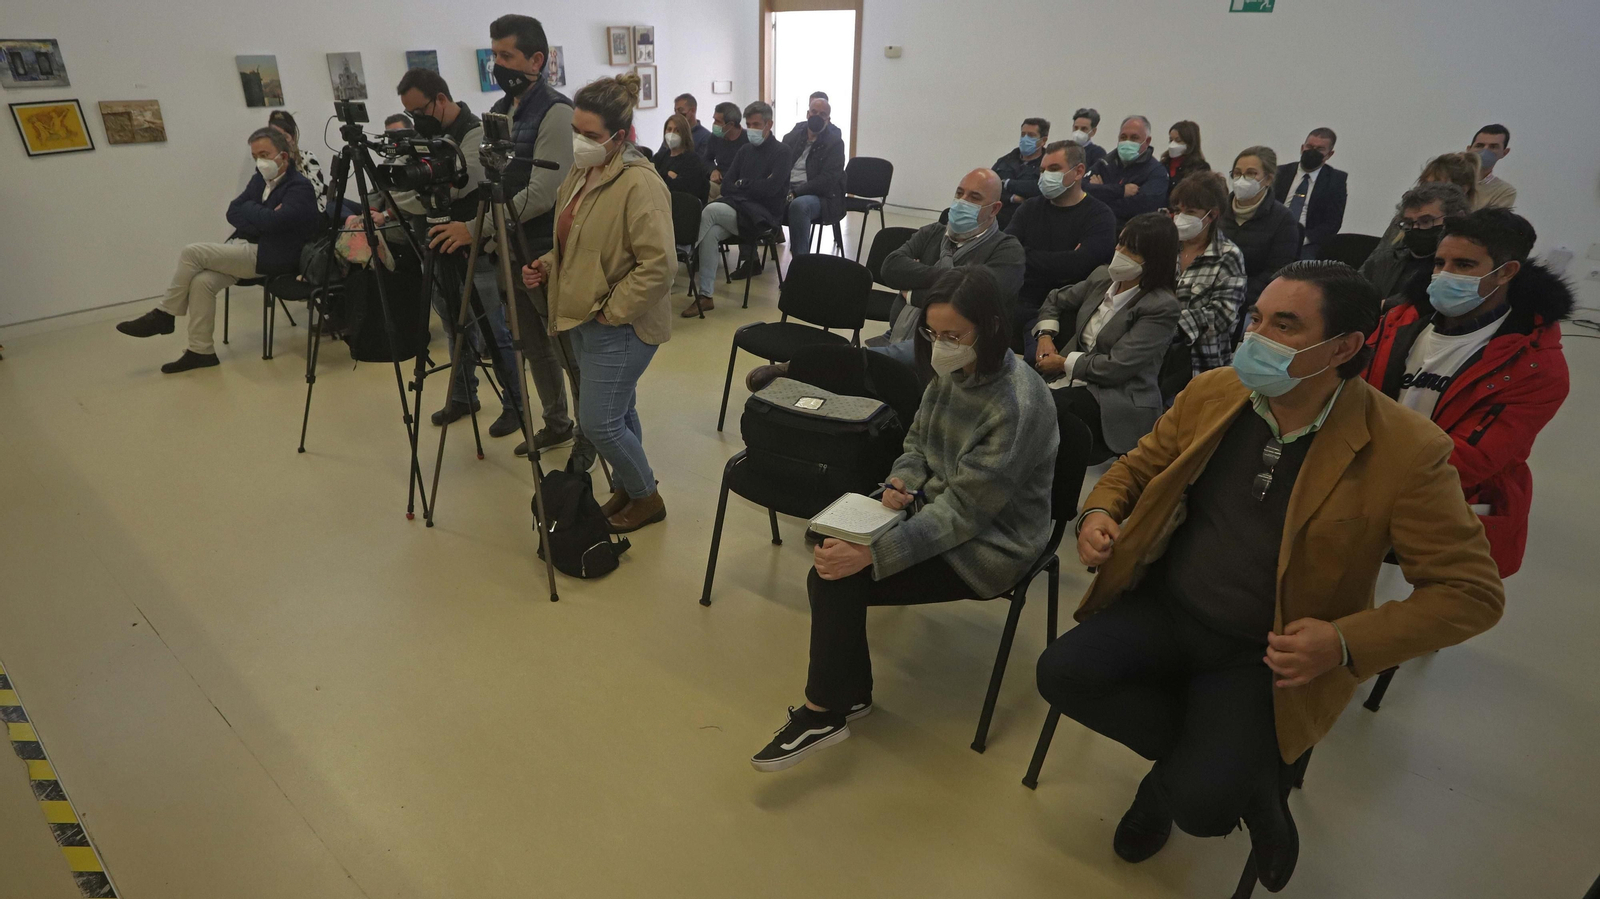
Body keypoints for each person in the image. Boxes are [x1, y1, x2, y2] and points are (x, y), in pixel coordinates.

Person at [1037, 261, 1505, 893]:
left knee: (1203, 812)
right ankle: (1247, 779)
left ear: (1342, 347)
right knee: (1061, 673)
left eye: (1285, 325)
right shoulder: (1215, 392)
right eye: (1256, 317)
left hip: (1269, 653)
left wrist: (1343, 643)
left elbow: (1471, 593)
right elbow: (1137, 466)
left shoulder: (1406, 450)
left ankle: (1185, 783)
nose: (1256, 336)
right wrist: (1100, 510)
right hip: (1170, 606)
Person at [750, 266, 1058, 772]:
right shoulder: (954, 373)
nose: (941, 346)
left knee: (835, 576)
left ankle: (825, 710)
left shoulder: (1017, 404)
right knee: (829, 553)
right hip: (935, 508)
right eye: (933, 334)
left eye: (954, 336)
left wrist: (874, 552)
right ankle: (847, 696)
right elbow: (916, 442)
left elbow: (965, 515)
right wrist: (902, 480)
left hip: (993, 544)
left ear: (993, 328)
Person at [1363, 208, 1570, 577]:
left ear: (1506, 272)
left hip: (1437, 515)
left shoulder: (1535, 367)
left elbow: (1470, 460)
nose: (1444, 275)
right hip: (1360, 499)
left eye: (1464, 265)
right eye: (1440, 263)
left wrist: (1356, 461)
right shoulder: (1402, 322)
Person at [520, 73, 675, 533]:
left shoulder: (639, 185)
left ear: (619, 137)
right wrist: (549, 263)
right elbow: (578, 243)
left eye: (590, 136)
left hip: (621, 325)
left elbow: (659, 267)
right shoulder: (581, 173)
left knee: (599, 422)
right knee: (621, 412)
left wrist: (611, 311)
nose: (579, 142)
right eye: (576, 131)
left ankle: (647, 497)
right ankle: (630, 487)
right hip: (585, 315)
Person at [431, 14, 588, 460]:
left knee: (564, 349)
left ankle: (588, 437)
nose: (497, 64)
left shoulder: (556, 111)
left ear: (536, 59)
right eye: (494, 54)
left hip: (543, 250)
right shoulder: (503, 110)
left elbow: (545, 190)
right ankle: (556, 423)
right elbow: (494, 178)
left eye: (507, 55)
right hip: (508, 247)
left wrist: (478, 226)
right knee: (533, 346)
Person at [390, 67, 526, 439]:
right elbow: (401, 188)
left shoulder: (475, 134)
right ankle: (464, 396)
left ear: (442, 100)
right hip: (434, 244)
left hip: (473, 246)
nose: (415, 120)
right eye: (409, 113)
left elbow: (458, 189)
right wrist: (420, 193)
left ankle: (516, 404)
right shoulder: (420, 136)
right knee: (453, 325)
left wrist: (420, 194)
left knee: (493, 329)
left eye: (419, 110)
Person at [117, 128, 319, 372]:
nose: (260, 162)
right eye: (255, 156)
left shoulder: (300, 187)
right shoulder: (259, 178)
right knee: (202, 282)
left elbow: (272, 223)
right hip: (249, 248)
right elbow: (233, 210)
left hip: (275, 257)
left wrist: (256, 213)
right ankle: (201, 351)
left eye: (265, 154)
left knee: (192, 252)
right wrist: (262, 216)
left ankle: (165, 314)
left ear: (284, 156)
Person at [1032, 212, 1180, 458]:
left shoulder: (1161, 305)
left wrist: (1062, 362)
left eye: (1130, 249)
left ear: (1153, 260)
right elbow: (1054, 299)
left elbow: (1116, 368)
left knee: (1047, 411)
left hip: (1115, 398)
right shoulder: (1103, 277)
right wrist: (1045, 336)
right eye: (1120, 242)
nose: (1119, 251)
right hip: (1067, 378)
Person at [871, 168, 1025, 369]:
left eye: (974, 197)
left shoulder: (1007, 250)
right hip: (901, 333)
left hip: (956, 347)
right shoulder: (933, 232)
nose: (962, 201)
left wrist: (912, 294)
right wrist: (959, 279)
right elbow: (891, 267)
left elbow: (972, 302)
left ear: (994, 209)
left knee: (865, 362)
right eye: (959, 193)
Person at [1006, 141, 1117, 349]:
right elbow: (1006, 253)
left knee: (1035, 358)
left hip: (1066, 309)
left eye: (1054, 169)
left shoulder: (1100, 216)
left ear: (1079, 172)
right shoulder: (1029, 208)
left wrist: (1027, 254)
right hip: (1019, 301)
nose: (1046, 175)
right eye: (1042, 170)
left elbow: (1081, 266)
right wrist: (1064, 258)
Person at [686, 101, 791, 315]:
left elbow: (771, 190)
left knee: (710, 210)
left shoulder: (782, 152)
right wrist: (747, 186)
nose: (751, 128)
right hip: (741, 211)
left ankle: (683, 254)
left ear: (769, 124)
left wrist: (743, 184)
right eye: (749, 124)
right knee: (711, 233)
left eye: (756, 124)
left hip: (764, 217)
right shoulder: (745, 150)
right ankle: (705, 295)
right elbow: (726, 185)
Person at [1164, 172, 1248, 395]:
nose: (1181, 217)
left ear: (1212, 215)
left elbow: (1222, 316)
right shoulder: (1167, 246)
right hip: (1156, 352)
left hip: (1199, 362)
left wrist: (1166, 324)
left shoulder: (1228, 256)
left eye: (1190, 212)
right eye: (1179, 210)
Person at [1219, 146, 1300, 321]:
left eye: (1251, 174)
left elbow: (1276, 271)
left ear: (1268, 179)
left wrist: (1236, 294)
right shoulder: (1219, 208)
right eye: (1237, 173)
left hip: (1251, 300)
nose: (1241, 179)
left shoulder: (1283, 220)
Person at [1359, 182, 1470, 305]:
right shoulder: (1385, 259)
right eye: (1408, 223)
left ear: (1458, 219)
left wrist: (1383, 306)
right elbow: (1349, 292)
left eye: (1426, 221)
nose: (1415, 228)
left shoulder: (1464, 265)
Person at [780, 97, 845, 257]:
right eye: (814, 112)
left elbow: (827, 180)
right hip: (788, 189)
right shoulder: (791, 138)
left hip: (821, 196)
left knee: (799, 205)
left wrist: (796, 192)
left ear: (828, 120)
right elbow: (779, 166)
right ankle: (751, 259)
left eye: (822, 114)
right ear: (807, 114)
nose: (817, 116)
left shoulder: (835, 143)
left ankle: (801, 265)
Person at [1272, 128, 1347, 260]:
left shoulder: (1336, 181)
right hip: (1273, 233)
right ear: (1302, 148)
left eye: (1319, 149)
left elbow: (1333, 223)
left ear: (1329, 154)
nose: (1312, 151)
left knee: (1303, 270)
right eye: (1309, 146)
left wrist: (1302, 238)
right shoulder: (1279, 173)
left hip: (1307, 242)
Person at [1084, 115, 1168, 231]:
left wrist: (1100, 192)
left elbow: (1140, 207)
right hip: (1096, 229)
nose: (1127, 142)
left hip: (1132, 235)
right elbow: (1082, 189)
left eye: (1134, 138)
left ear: (1147, 141)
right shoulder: (1105, 162)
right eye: (1123, 137)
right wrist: (1120, 191)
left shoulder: (1156, 172)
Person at [993, 117, 1050, 229]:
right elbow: (990, 187)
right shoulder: (1004, 161)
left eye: (1031, 135)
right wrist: (1012, 197)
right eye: (1023, 134)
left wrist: (1008, 183)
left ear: (1043, 141)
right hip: (1000, 221)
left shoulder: (1049, 163)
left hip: (1033, 222)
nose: (1025, 138)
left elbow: (1042, 188)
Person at [267, 110, 329, 212]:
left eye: (284, 137)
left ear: (293, 138)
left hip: (309, 210)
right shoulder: (267, 164)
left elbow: (315, 190)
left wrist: (289, 204)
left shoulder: (307, 157)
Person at [655, 113, 710, 204]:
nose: (672, 133)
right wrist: (668, 174)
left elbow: (682, 188)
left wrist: (662, 175)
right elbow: (650, 176)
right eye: (669, 129)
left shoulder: (692, 160)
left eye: (677, 130)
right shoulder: (661, 156)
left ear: (684, 134)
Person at [1157, 120, 1210, 203]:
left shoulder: (1200, 168)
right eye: (1171, 140)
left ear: (1190, 143)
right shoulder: (1163, 164)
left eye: (1178, 140)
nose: (1172, 145)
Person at [705, 101, 749, 201]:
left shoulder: (748, 141)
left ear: (730, 125)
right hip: (718, 182)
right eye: (714, 120)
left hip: (736, 187)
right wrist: (713, 170)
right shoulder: (715, 137)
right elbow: (706, 159)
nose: (714, 124)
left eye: (718, 121)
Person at [1468, 124, 1516, 210]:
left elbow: (1491, 222)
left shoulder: (1503, 191)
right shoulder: (1445, 176)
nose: (1485, 150)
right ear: (1469, 149)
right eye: (1479, 145)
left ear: (1504, 153)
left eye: (1493, 147)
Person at [656, 93, 712, 160]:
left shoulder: (705, 137)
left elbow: (700, 163)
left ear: (693, 110)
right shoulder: (672, 132)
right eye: (675, 110)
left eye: (680, 110)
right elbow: (660, 156)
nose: (677, 114)